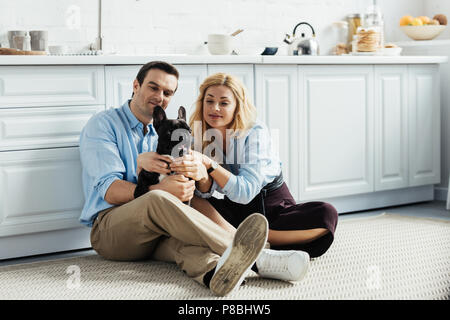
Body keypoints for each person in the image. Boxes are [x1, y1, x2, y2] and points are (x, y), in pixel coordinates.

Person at [78, 61, 309, 297]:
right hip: (112, 231)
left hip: (157, 233)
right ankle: (262, 258)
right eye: (153, 87)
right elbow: (110, 191)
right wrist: (160, 187)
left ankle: (214, 276)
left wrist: (199, 177)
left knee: (191, 246)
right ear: (136, 85)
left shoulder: (169, 131)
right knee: (158, 197)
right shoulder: (103, 124)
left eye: (167, 92)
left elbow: (195, 194)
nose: (160, 96)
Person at [170, 72, 338, 263]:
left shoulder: (255, 132)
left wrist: (209, 164)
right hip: (235, 210)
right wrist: (199, 176)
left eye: (224, 103)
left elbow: (246, 191)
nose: (214, 108)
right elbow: (207, 192)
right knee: (191, 200)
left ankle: (257, 242)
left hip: (271, 205)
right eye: (209, 101)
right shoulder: (201, 134)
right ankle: (241, 239)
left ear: (237, 106)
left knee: (326, 214)